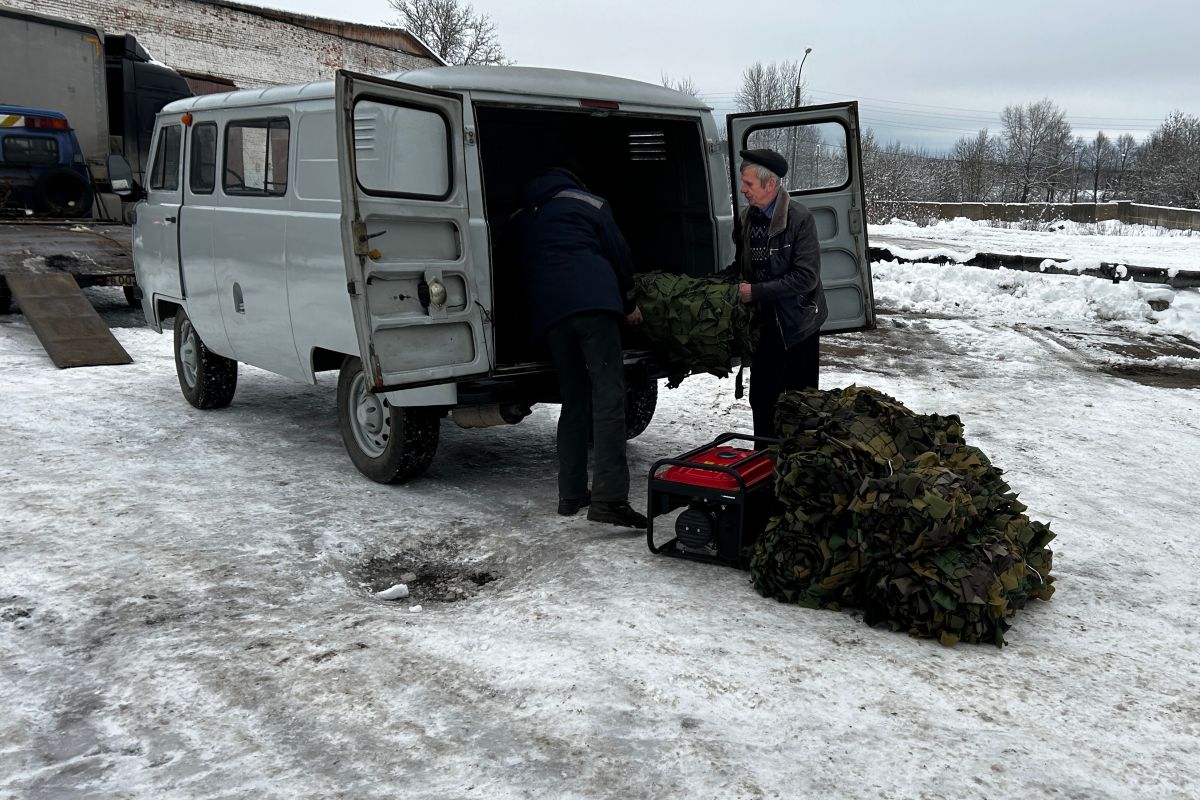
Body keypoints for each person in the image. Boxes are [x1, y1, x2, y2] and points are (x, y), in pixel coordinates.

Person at [512, 166, 649, 529]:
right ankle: (610, 498)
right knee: (608, 398)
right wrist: (628, 300)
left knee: (574, 399)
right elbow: (620, 255)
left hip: (552, 316)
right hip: (594, 306)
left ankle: (570, 494)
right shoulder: (589, 202)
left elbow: (515, 267)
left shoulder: (525, 217)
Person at [733, 148, 828, 438]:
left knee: (800, 405)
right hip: (764, 326)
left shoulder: (799, 218)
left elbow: (806, 277)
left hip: (798, 326)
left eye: (749, 184)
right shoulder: (747, 218)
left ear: (770, 184)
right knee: (762, 400)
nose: (743, 190)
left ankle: (797, 470)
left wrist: (756, 292)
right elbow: (741, 266)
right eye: (743, 183)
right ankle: (763, 464)